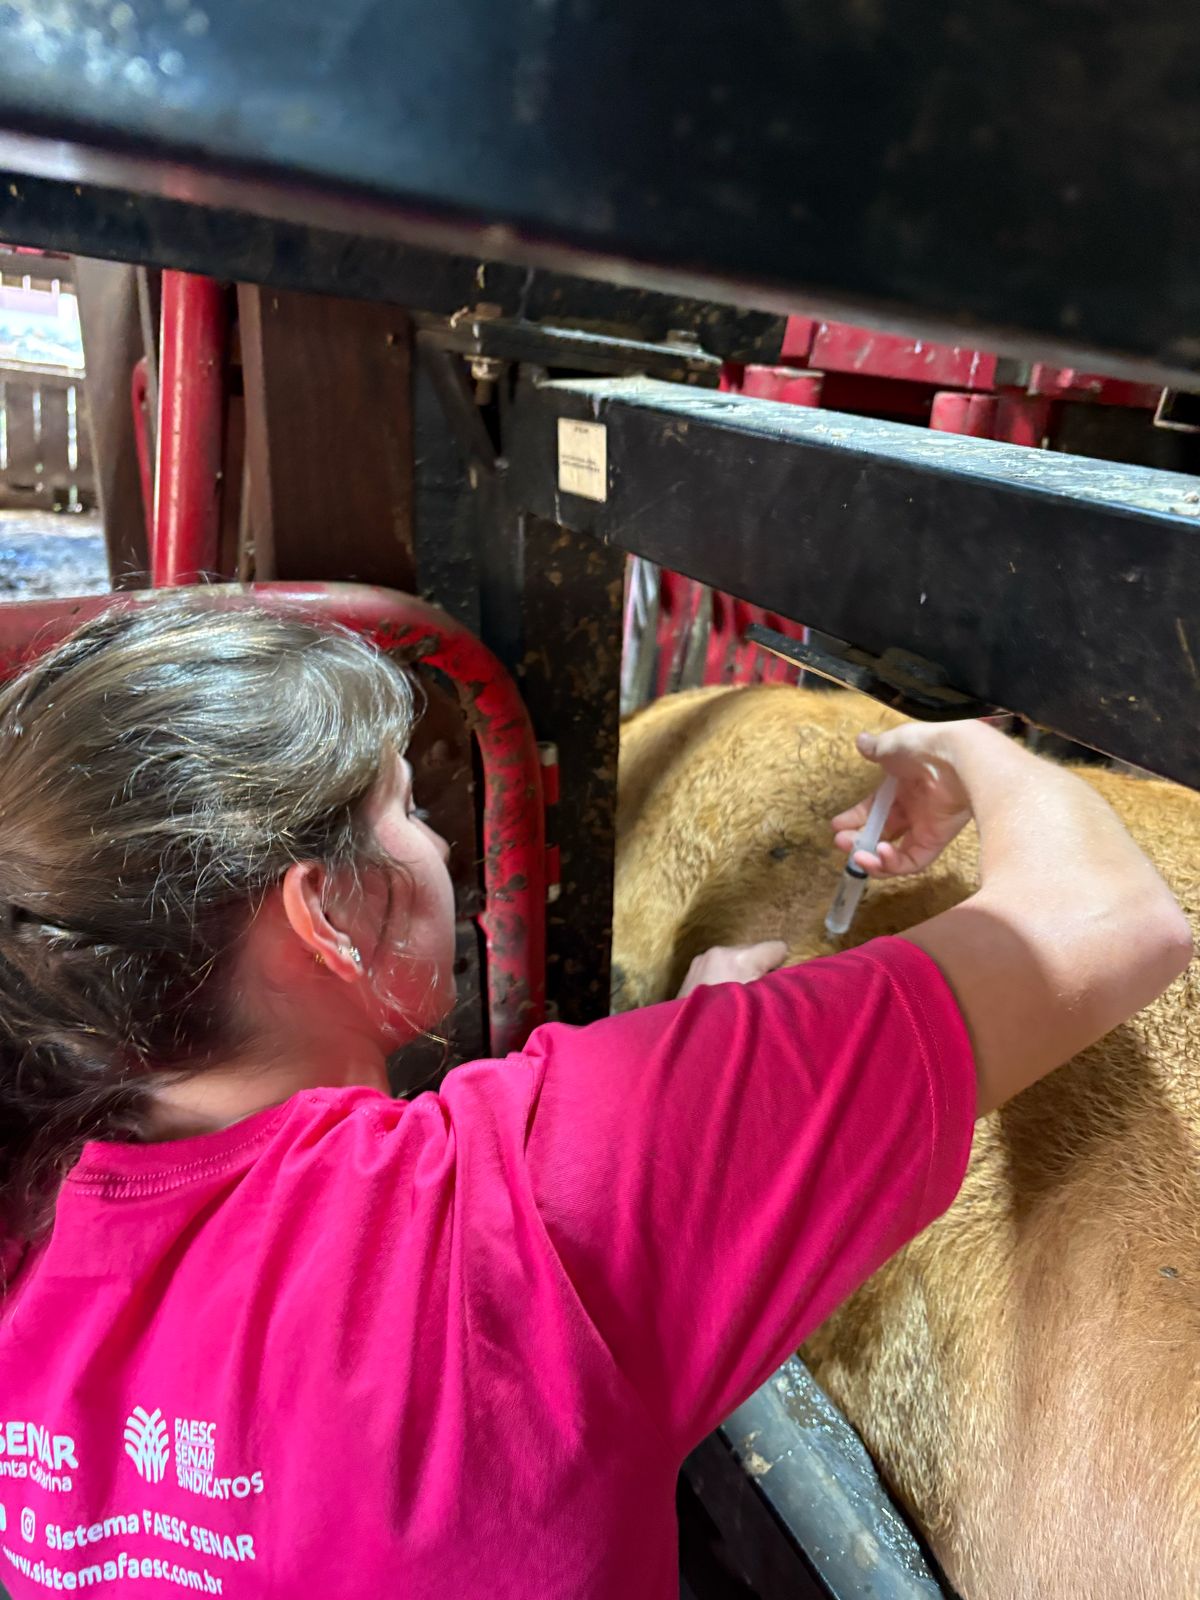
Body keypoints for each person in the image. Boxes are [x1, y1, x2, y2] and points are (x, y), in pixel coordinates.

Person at [0, 595, 1189, 1600]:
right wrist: (977, 753)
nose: (438, 846)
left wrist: (675, 1068)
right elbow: (1111, 923)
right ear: (330, 914)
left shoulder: (32, 1231)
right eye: (406, 810)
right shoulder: (529, 1188)